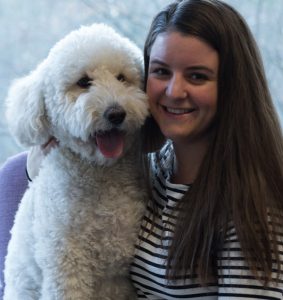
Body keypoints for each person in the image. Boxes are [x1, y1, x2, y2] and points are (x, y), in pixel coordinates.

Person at [1, 0, 283, 299]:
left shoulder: (252, 206)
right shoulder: (156, 167)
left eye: (197, 76)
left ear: (232, 86)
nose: (174, 91)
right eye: (161, 72)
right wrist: (52, 143)